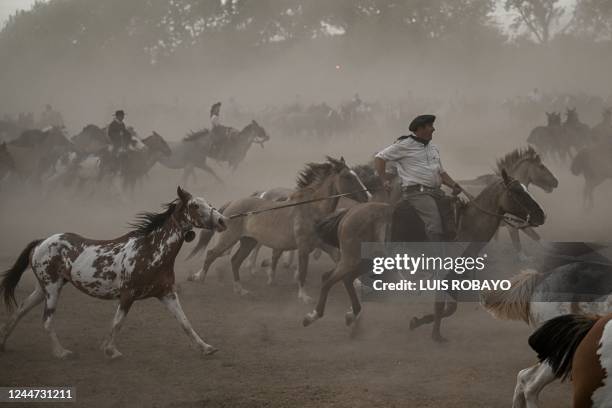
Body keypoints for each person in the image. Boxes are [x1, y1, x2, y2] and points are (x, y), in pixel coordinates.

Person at [374, 114, 461, 241]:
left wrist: (453, 185)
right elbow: (380, 157)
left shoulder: (433, 148)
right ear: (420, 129)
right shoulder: (404, 145)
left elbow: (441, 173)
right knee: (435, 224)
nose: (433, 129)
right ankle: (438, 260)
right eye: (430, 126)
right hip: (416, 194)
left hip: (436, 192)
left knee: (453, 219)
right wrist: (383, 179)